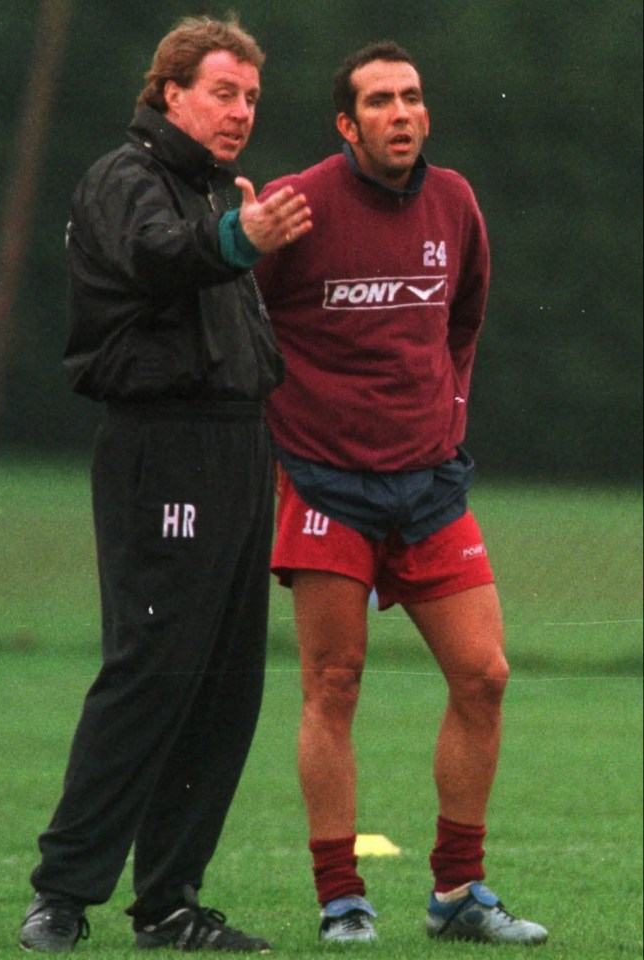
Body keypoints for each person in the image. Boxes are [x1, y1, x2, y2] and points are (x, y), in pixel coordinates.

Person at [18, 15, 312, 954]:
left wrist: (240, 231)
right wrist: (238, 238)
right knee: (152, 670)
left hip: (238, 448)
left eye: (252, 99)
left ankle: (172, 902)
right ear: (169, 92)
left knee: (226, 689)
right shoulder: (126, 179)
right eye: (223, 92)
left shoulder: (222, 192)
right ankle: (62, 895)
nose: (240, 113)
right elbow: (159, 257)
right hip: (164, 448)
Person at [253, 42, 548, 947]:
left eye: (412, 97)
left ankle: (459, 893)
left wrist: (450, 408)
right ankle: (342, 898)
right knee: (333, 684)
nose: (402, 113)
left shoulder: (455, 201)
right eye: (380, 101)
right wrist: (285, 423)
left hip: (430, 484)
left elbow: (466, 314)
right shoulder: (295, 205)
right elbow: (240, 314)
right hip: (325, 481)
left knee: (485, 677)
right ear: (347, 124)